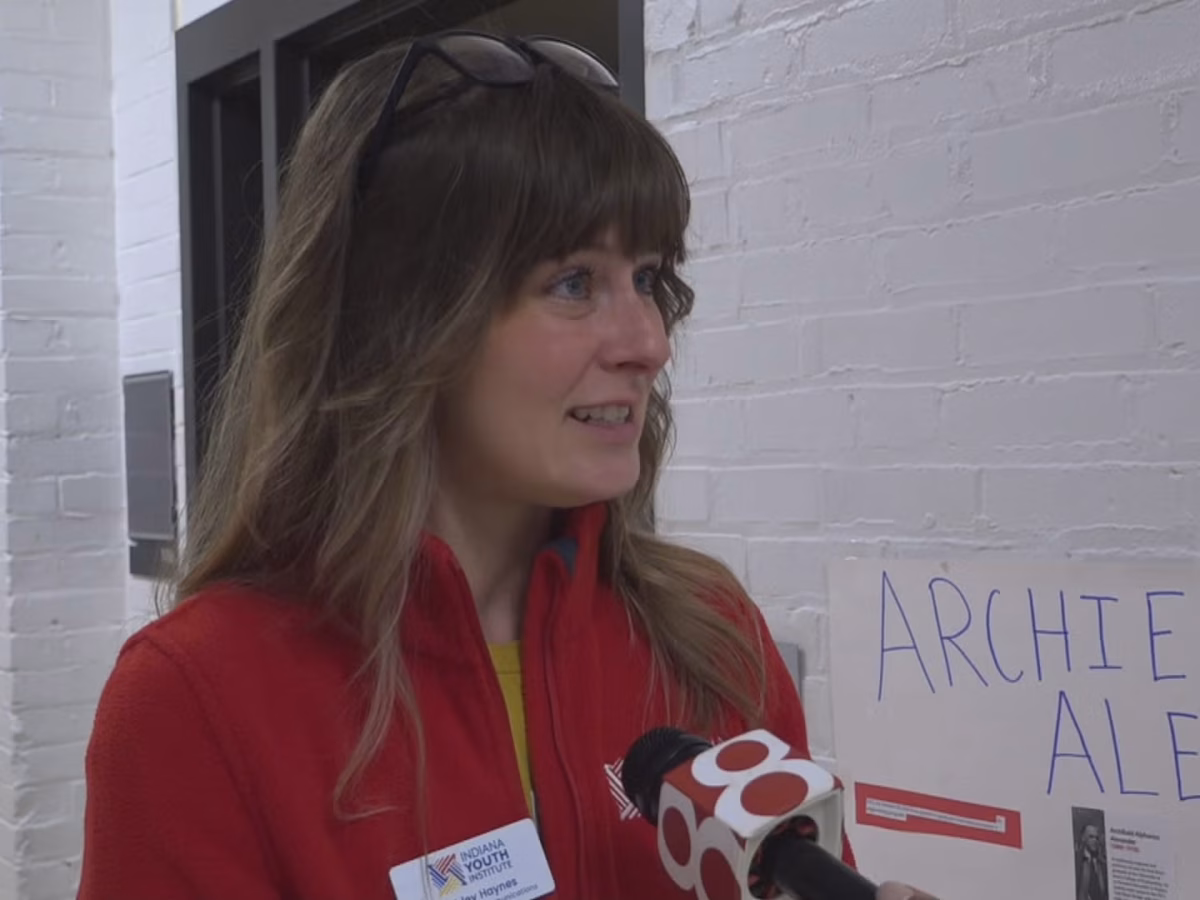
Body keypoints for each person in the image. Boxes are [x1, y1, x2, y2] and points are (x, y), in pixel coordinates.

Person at [78, 31, 936, 900]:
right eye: (572, 283)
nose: (649, 342)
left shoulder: (710, 636)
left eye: (648, 277)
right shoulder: (198, 702)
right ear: (405, 323)